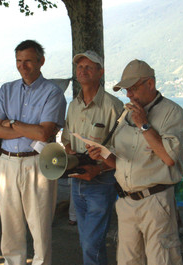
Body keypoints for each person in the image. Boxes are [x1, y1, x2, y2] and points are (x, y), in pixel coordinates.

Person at [88, 59, 183, 264]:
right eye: (126, 90)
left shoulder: (172, 113)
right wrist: (103, 155)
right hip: (126, 201)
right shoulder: (126, 114)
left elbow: (168, 158)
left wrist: (144, 125)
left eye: (132, 89)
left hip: (156, 201)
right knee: (128, 261)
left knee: (162, 259)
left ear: (150, 84)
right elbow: (121, 163)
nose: (128, 95)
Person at [0, 40, 66, 265]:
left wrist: (11, 123)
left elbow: (44, 134)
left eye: (28, 61)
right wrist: (26, 129)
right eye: (19, 61)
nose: (23, 66)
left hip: (37, 164)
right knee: (10, 226)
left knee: (40, 226)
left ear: (41, 62)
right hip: (6, 162)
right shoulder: (6, 89)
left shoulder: (53, 93)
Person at [61, 50, 123, 264]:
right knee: (87, 241)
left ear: (101, 72)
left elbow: (123, 152)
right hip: (77, 179)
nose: (83, 70)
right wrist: (69, 151)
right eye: (80, 67)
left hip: (102, 180)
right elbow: (67, 138)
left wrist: (100, 168)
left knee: (91, 243)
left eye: (89, 67)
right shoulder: (73, 106)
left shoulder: (113, 106)